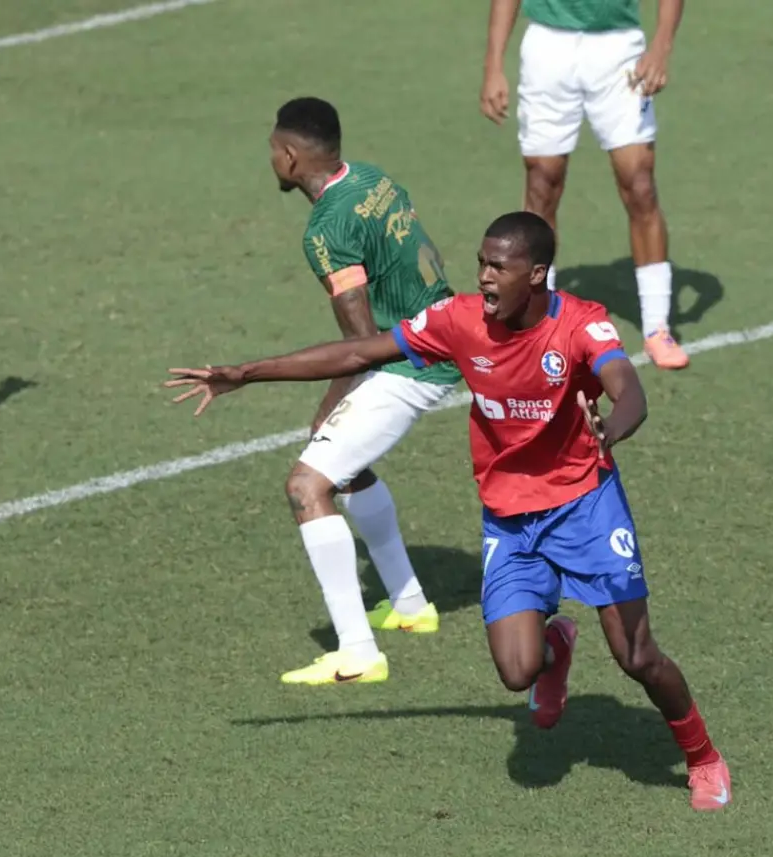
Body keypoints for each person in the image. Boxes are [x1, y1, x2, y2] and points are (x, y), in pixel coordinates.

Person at [165, 211, 731, 809]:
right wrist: (246, 374)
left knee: (636, 657)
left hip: (585, 506)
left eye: (498, 267)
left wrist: (615, 425)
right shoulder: (458, 321)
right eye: (481, 263)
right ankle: (555, 647)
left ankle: (702, 758)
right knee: (516, 672)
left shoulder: (581, 324)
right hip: (510, 518)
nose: (484, 277)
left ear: (537, 275)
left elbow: (627, 385)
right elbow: (362, 351)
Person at [258, 97, 463, 685]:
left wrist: (332, 401)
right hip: (437, 332)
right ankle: (409, 604)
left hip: (413, 362)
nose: (271, 158)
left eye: (274, 149)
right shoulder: (371, 178)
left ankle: (357, 652)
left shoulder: (327, 229)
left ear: (292, 156)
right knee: (345, 463)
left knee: (306, 484)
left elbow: (361, 340)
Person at [479, 0, 691, 370]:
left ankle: (658, 327)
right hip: (548, 49)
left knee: (639, 183)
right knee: (542, 184)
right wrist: (493, 64)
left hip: (619, 50)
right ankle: (540, 323)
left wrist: (660, 47)